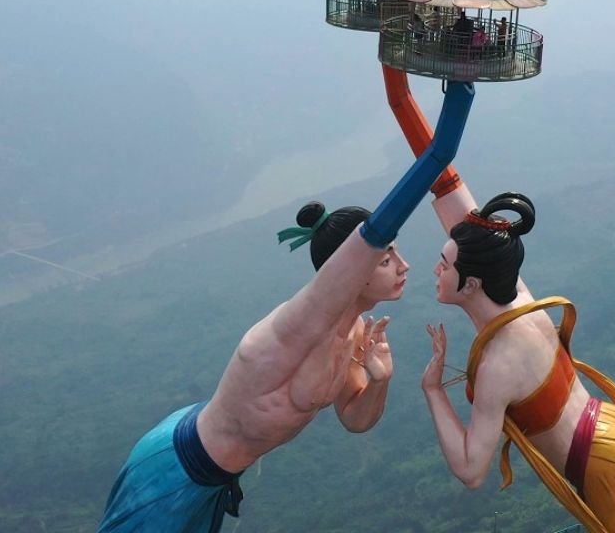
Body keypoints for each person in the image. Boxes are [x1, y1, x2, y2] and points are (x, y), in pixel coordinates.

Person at [97, 80, 476, 532]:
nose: (403, 264)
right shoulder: (302, 325)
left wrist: (381, 380)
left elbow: (355, 418)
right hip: (179, 466)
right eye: (385, 257)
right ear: (351, 269)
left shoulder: (354, 331)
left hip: (215, 475)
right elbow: (378, 227)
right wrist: (450, 123)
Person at [419, 192, 615, 533]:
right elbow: (472, 227)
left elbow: (470, 469)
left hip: (607, 468)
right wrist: (437, 172)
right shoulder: (522, 301)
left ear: (471, 284)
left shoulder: (498, 365)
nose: (436, 269)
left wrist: (433, 390)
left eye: (444, 265)